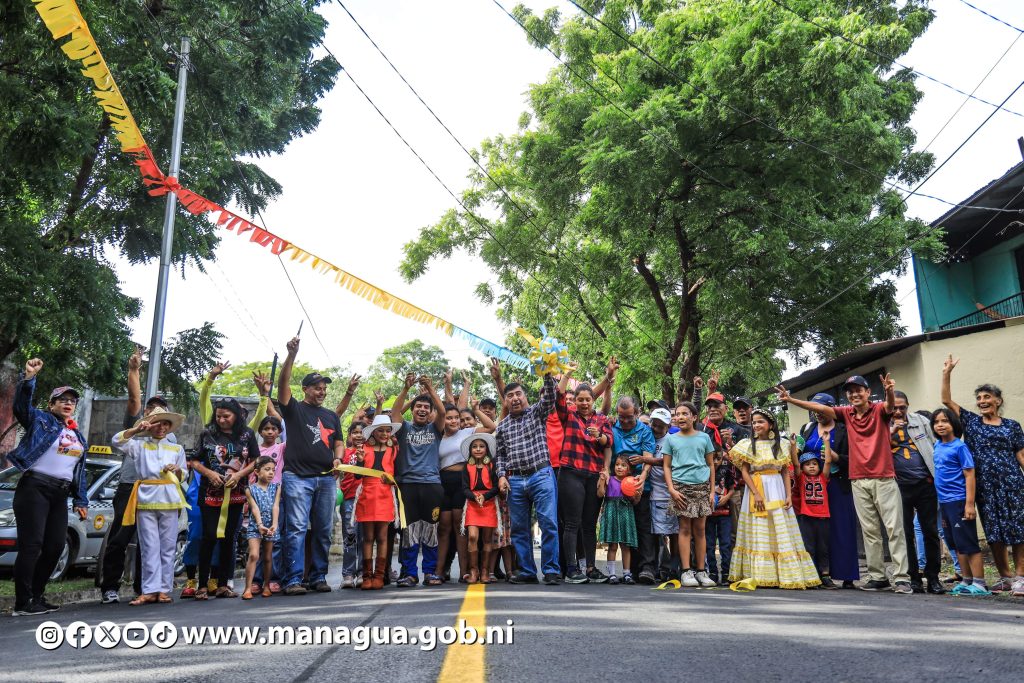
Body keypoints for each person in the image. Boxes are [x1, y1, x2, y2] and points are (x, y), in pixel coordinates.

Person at [779, 374, 912, 594]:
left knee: (893, 529)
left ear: (868, 392)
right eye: (850, 391)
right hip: (857, 479)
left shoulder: (879, 410)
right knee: (870, 531)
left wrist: (889, 390)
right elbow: (819, 408)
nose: (854, 394)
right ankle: (878, 576)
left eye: (859, 390)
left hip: (883, 477)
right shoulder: (846, 414)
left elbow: (890, 406)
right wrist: (791, 400)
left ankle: (901, 578)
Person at [9, 359, 89, 616]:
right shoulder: (41, 420)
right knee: (32, 545)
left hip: (60, 493)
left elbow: (78, 471)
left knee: (55, 546)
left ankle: (36, 596)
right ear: (51, 404)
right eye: (62, 400)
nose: (68, 403)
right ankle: (23, 603)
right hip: (35, 488)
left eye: (72, 401)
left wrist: (81, 500)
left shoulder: (77, 436)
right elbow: (21, 407)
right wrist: (29, 378)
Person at [942, 356, 1024, 595]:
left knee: (1019, 530)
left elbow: (1021, 455)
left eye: (987, 397)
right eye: (979, 398)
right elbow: (946, 400)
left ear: (998, 400)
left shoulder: (1012, 426)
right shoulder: (971, 422)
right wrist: (947, 373)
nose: (982, 401)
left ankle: (1021, 577)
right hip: (985, 487)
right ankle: (1005, 577)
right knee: (994, 532)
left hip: (1013, 484)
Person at [99, 347, 170, 604]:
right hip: (130, 488)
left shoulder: (170, 438)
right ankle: (110, 587)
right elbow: (133, 399)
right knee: (120, 537)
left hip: (158, 492)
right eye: (150, 408)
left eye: (160, 409)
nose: (154, 412)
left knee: (150, 541)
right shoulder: (135, 428)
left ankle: (145, 587)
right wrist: (134, 370)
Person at [276, 336, 346, 595]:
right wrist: (291, 355)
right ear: (305, 389)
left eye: (324, 388)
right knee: (296, 529)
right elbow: (282, 385)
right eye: (317, 388)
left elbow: (339, 442)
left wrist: (338, 458)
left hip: (326, 479)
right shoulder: (293, 409)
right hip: (297, 477)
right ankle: (293, 579)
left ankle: (318, 577)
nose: (322, 391)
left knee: (323, 530)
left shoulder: (330, 416)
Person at [729, 408, 820, 589]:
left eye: (760, 421)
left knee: (780, 525)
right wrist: (756, 493)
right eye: (754, 422)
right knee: (759, 526)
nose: (756, 425)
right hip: (756, 487)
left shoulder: (782, 444)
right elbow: (745, 472)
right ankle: (760, 574)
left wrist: (788, 495)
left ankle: (784, 573)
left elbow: (785, 471)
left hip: (776, 487)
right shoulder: (747, 444)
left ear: (771, 424)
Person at [111, 408, 187, 606]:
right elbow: (117, 440)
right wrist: (136, 430)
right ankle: (149, 590)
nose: (161, 427)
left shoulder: (177, 449)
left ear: (169, 427)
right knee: (148, 546)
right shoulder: (139, 446)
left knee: (168, 546)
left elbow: (184, 474)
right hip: (145, 499)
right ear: (149, 426)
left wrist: (177, 470)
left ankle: (164, 589)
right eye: (156, 423)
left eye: (165, 424)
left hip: (169, 499)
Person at [190, 397, 259, 599]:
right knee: (209, 536)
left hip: (236, 494)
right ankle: (202, 585)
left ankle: (222, 585)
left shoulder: (247, 434)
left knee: (229, 538)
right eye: (218, 416)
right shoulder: (207, 433)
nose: (221, 420)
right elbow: (194, 461)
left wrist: (239, 475)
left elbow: (255, 460)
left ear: (236, 416)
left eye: (226, 416)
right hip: (210, 493)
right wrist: (210, 473)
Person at [495, 373, 561, 585]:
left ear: (525, 396)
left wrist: (548, 375)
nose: (515, 398)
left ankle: (551, 570)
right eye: (510, 396)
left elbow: (549, 397)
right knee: (519, 528)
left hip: (541, 474)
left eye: (518, 394)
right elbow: (500, 455)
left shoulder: (537, 412)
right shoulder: (502, 426)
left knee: (548, 523)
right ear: (505, 401)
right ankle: (527, 571)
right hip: (515, 480)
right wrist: (501, 476)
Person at [556, 366, 614, 585]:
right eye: (579, 399)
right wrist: (567, 375)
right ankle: (572, 569)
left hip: (593, 475)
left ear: (592, 400)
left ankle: (591, 567)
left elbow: (609, 442)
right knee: (572, 523)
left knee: (589, 524)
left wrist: (599, 436)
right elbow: (559, 398)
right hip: (571, 472)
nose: (583, 403)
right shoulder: (569, 415)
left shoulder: (601, 419)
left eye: (587, 399)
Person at [390, 372, 447, 587]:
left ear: (430, 412)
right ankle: (410, 573)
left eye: (426, 407)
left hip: (432, 485)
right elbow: (395, 412)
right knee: (410, 530)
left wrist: (430, 389)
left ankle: (430, 573)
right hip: (407, 486)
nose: (422, 410)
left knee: (430, 529)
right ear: (412, 410)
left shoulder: (435, 428)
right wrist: (406, 388)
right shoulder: (404, 428)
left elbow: (443, 411)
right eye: (418, 407)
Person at [437, 377, 496, 584]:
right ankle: (439, 571)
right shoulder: (438, 435)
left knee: (459, 527)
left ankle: (466, 571)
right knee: (443, 527)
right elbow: (445, 404)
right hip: (443, 482)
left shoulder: (467, 432)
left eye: (456, 418)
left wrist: (476, 409)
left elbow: (490, 426)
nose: (453, 421)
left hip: (461, 482)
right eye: (449, 418)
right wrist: (446, 385)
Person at [798, 393, 859, 587]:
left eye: (820, 409)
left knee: (842, 528)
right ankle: (819, 574)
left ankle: (847, 575)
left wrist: (835, 457)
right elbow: (799, 455)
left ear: (831, 409)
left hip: (837, 484)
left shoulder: (844, 429)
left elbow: (855, 458)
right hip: (812, 488)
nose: (817, 413)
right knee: (816, 532)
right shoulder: (807, 429)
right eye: (813, 409)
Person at [891, 391, 945, 594]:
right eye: (894, 408)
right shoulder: (882, 425)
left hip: (925, 484)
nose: (898, 411)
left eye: (902, 407)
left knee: (930, 531)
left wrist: (934, 475)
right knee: (904, 533)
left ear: (908, 405)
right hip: (898, 487)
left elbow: (936, 446)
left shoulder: (921, 422)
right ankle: (913, 578)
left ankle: (933, 578)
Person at [930, 408, 989, 595]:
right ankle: (967, 579)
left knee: (968, 542)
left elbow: (970, 474)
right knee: (955, 543)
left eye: (945, 421)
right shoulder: (937, 446)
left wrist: (969, 504)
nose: (940, 425)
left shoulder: (959, 447)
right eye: (936, 422)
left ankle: (980, 583)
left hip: (959, 501)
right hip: (944, 503)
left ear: (954, 424)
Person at [662, 402, 717, 588]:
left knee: (700, 529)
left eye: (685, 413)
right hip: (680, 488)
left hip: (702, 487)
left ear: (694, 417)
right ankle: (686, 571)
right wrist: (671, 489)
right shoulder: (671, 439)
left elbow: (711, 465)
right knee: (684, 528)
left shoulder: (704, 438)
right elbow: (667, 466)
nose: (680, 417)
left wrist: (712, 491)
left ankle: (701, 571)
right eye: (677, 414)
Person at [612, 395, 657, 584]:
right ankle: (631, 570)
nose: (624, 421)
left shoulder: (645, 431)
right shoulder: (612, 428)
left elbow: (648, 457)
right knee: (625, 527)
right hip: (616, 488)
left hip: (639, 485)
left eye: (629, 417)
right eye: (621, 417)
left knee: (643, 526)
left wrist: (643, 477)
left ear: (637, 413)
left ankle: (647, 567)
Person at [356, 414, 402, 590]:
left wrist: (392, 480)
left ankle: (379, 576)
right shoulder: (363, 448)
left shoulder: (394, 450)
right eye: (380, 430)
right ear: (373, 432)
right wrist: (360, 461)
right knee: (368, 537)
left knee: (383, 537)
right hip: (367, 494)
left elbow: (400, 474)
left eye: (387, 431)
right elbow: (357, 476)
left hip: (385, 495)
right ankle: (366, 576)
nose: (384, 434)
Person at [792, 434, 836, 589]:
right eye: (807, 464)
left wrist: (826, 442)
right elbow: (795, 464)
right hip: (806, 517)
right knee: (808, 547)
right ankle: (811, 576)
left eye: (814, 464)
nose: (811, 466)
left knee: (823, 547)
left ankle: (825, 575)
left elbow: (828, 461)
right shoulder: (801, 478)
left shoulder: (823, 477)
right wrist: (793, 446)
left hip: (823, 517)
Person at [461, 434, 500, 584]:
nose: (478, 449)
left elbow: (496, 487)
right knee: (472, 536)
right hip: (472, 504)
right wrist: (474, 497)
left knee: (487, 539)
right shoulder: (466, 467)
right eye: (475, 447)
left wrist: (485, 496)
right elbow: (464, 488)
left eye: (481, 446)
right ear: (470, 450)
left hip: (488, 504)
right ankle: (473, 570)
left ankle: (485, 571)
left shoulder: (492, 466)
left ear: (486, 449)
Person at [253, 413, 285, 594]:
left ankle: (273, 578)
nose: (270, 432)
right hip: (258, 496)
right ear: (260, 431)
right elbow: (251, 475)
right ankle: (256, 580)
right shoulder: (255, 451)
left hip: (276, 497)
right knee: (257, 539)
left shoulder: (281, 448)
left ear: (279, 432)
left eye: (274, 429)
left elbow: (293, 431)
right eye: (266, 429)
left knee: (275, 539)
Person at [647, 408, 680, 581]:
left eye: (660, 426)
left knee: (674, 533)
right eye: (654, 424)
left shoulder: (672, 441)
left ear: (668, 426)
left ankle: (674, 567)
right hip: (653, 493)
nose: (656, 428)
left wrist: (647, 460)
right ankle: (659, 567)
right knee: (656, 534)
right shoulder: (647, 438)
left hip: (670, 493)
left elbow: (669, 462)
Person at [242, 456, 281, 599]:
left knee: (268, 557)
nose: (271, 472)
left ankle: (266, 586)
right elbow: (254, 508)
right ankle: (247, 588)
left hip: (271, 526)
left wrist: (275, 524)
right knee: (254, 555)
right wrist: (259, 524)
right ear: (257, 472)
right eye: (267, 469)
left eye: (273, 470)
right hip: (255, 526)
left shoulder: (276, 487)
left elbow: (276, 506)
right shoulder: (250, 489)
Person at [600, 454, 639, 584]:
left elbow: (635, 501)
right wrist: (602, 480)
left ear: (629, 469)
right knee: (612, 546)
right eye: (617, 464)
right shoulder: (609, 479)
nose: (619, 467)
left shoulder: (632, 481)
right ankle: (611, 574)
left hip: (626, 514)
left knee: (626, 546)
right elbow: (600, 494)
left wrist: (637, 494)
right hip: (611, 512)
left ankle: (627, 573)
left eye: (623, 465)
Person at [339, 423, 365, 589]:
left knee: (364, 538)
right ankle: (348, 573)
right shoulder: (344, 452)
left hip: (366, 498)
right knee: (350, 537)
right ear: (349, 436)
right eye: (355, 432)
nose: (358, 435)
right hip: (348, 498)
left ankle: (362, 572)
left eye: (361, 432)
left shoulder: (369, 451)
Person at [706, 447, 736, 586]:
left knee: (725, 543)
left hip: (725, 513)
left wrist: (727, 497)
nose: (716, 462)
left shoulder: (726, 469)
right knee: (709, 543)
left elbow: (732, 488)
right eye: (712, 459)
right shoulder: (703, 471)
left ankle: (726, 573)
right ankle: (712, 572)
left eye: (718, 458)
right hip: (708, 514)